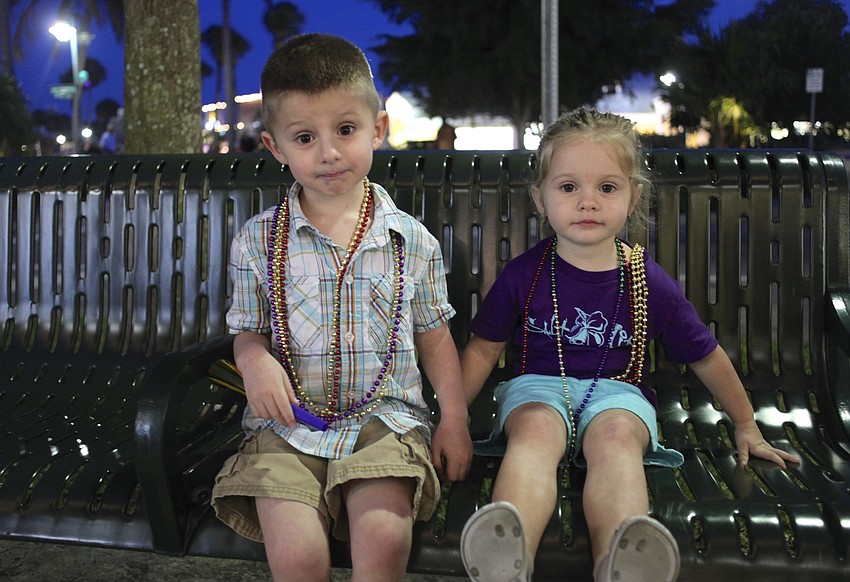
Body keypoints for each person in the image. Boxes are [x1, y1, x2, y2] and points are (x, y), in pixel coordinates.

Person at [457, 108, 800, 582]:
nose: (588, 203)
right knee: (534, 433)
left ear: (634, 194)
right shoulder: (525, 274)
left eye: (607, 187)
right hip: (537, 388)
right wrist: (452, 420)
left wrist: (745, 423)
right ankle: (507, 550)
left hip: (617, 393)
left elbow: (704, 353)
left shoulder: (645, 279)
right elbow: (481, 349)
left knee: (617, 440)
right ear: (540, 198)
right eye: (568, 187)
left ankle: (621, 557)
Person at [211, 33, 472, 582]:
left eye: (346, 130)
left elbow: (434, 336)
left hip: (386, 423)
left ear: (377, 128)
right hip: (286, 427)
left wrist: (454, 418)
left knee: (381, 538)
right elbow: (249, 331)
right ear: (276, 148)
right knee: (298, 556)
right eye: (305, 137)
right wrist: (253, 360)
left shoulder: (411, 241)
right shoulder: (258, 243)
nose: (328, 152)